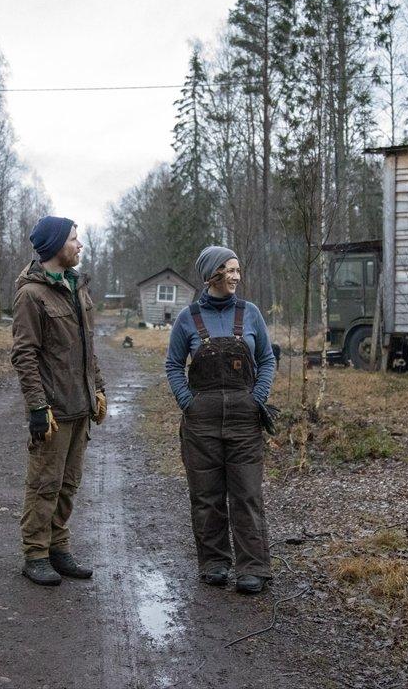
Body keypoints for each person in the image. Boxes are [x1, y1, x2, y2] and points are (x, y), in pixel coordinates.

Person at [165, 246, 276, 594]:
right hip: (202, 423)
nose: (236, 276)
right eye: (229, 270)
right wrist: (188, 402)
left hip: (245, 422)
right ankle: (214, 563)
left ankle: (253, 568)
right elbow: (173, 365)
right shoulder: (188, 317)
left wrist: (256, 398)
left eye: (238, 270)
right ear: (212, 273)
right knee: (207, 495)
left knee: (246, 494)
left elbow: (268, 360)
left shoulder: (251, 313)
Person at [10, 215, 107, 586]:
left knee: (69, 484)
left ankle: (58, 547)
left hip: (80, 405)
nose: (79, 245)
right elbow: (25, 355)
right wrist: (37, 407)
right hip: (52, 411)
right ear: (54, 246)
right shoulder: (31, 295)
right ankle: (35, 554)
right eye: (73, 239)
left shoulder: (77, 287)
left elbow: (88, 349)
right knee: (44, 484)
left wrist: (98, 389)